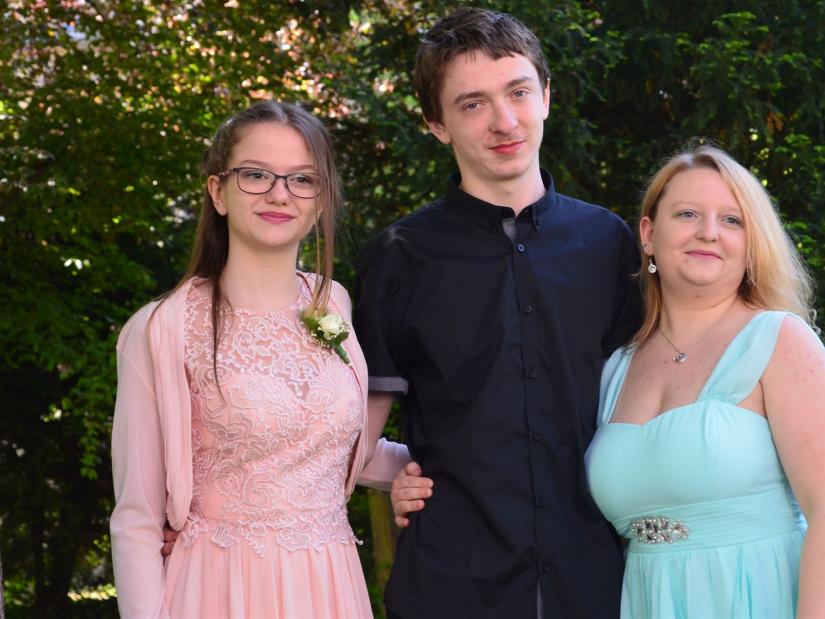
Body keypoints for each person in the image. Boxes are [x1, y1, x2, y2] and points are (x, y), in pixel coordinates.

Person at [356, 7, 641, 618]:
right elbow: (346, 439)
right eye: (472, 104)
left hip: (596, 582)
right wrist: (395, 472)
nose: (504, 122)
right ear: (436, 124)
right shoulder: (401, 257)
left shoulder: (609, 243)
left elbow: (649, 405)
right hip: (451, 587)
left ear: (546, 96)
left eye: (518, 92)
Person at [110, 101, 408, 619]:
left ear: (320, 202)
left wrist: (439, 464)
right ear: (218, 191)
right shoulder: (163, 328)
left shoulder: (332, 302)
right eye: (255, 175)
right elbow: (137, 518)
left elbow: (329, 450)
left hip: (329, 583)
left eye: (302, 179)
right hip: (220, 586)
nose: (279, 193)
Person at [584, 145, 825, 618]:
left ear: (751, 243)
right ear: (649, 234)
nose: (709, 232)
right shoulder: (615, 367)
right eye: (687, 214)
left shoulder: (778, 340)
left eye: (732, 220)